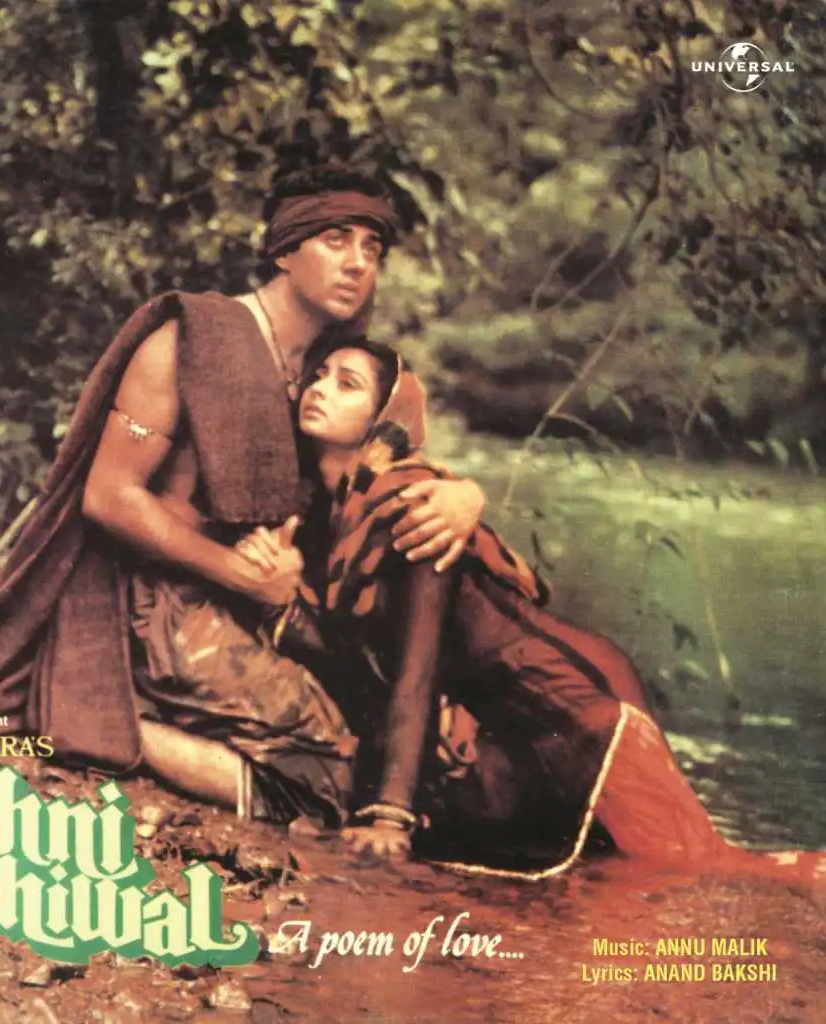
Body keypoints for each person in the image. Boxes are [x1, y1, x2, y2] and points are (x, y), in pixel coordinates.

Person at [0, 166, 486, 830]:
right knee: (330, 778)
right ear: (284, 250)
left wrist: (466, 496)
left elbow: (386, 467)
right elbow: (109, 495)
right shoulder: (189, 338)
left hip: (255, 607)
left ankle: (105, 712)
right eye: (335, 240)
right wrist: (236, 574)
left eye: (372, 248)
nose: (358, 263)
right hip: (160, 606)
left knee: (397, 747)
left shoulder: (325, 372)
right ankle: (95, 718)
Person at [248, 336, 825, 884]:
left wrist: (389, 816)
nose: (320, 388)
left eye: (347, 384)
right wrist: (283, 606)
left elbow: (415, 669)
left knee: (714, 874)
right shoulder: (336, 514)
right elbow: (368, 661)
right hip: (524, 724)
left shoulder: (418, 506)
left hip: (575, 708)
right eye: (318, 375)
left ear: (384, 419)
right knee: (620, 881)